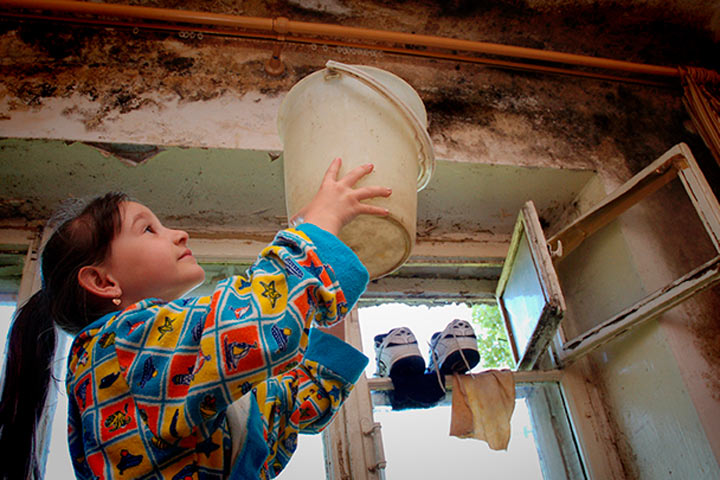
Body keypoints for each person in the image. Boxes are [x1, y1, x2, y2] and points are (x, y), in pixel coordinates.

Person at [0, 158, 391, 479]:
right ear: (103, 281)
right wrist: (314, 234)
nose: (180, 234)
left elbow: (301, 399)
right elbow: (252, 326)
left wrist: (327, 253)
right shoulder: (115, 345)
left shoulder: (191, 372)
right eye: (149, 229)